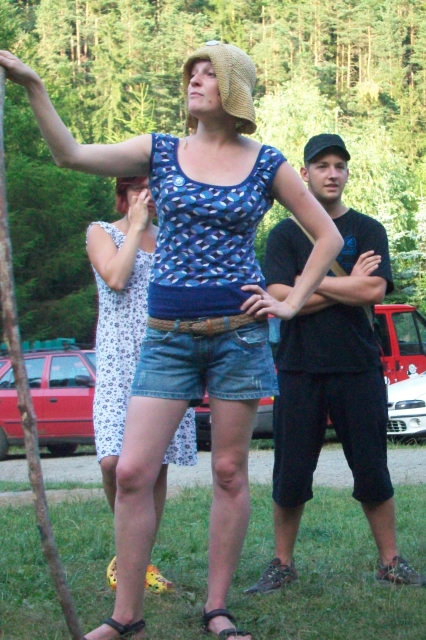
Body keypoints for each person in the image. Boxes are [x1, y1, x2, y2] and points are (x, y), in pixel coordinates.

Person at [0, 44, 343, 640]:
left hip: (238, 335)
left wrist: (288, 303)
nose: (195, 81)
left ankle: (217, 607)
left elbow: (327, 237)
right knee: (133, 471)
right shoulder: (160, 150)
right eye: (192, 73)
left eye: (209, 74)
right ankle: (126, 616)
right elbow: (70, 154)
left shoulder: (266, 162)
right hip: (166, 336)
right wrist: (34, 86)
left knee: (229, 471)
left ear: (233, 89)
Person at [245, 133, 426, 595]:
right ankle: (282, 564)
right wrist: (340, 285)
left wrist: (306, 285)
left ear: (347, 173)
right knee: (290, 471)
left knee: (372, 467)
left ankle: (390, 561)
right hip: (298, 368)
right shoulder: (285, 234)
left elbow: (373, 290)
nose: (332, 173)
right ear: (303, 173)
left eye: (339, 166)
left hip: (358, 367)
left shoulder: (368, 230)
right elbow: (277, 297)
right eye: (322, 165)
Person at [87, 176, 197, 594]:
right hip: (118, 364)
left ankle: (139, 562)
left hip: (168, 360)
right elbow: (116, 278)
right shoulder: (102, 232)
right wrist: (135, 228)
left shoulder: (173, 238)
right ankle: (127, 549)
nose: (147, 195)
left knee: (154, 467)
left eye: (154, 186)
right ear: (123, 194)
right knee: (113, 462)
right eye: (137, 188)